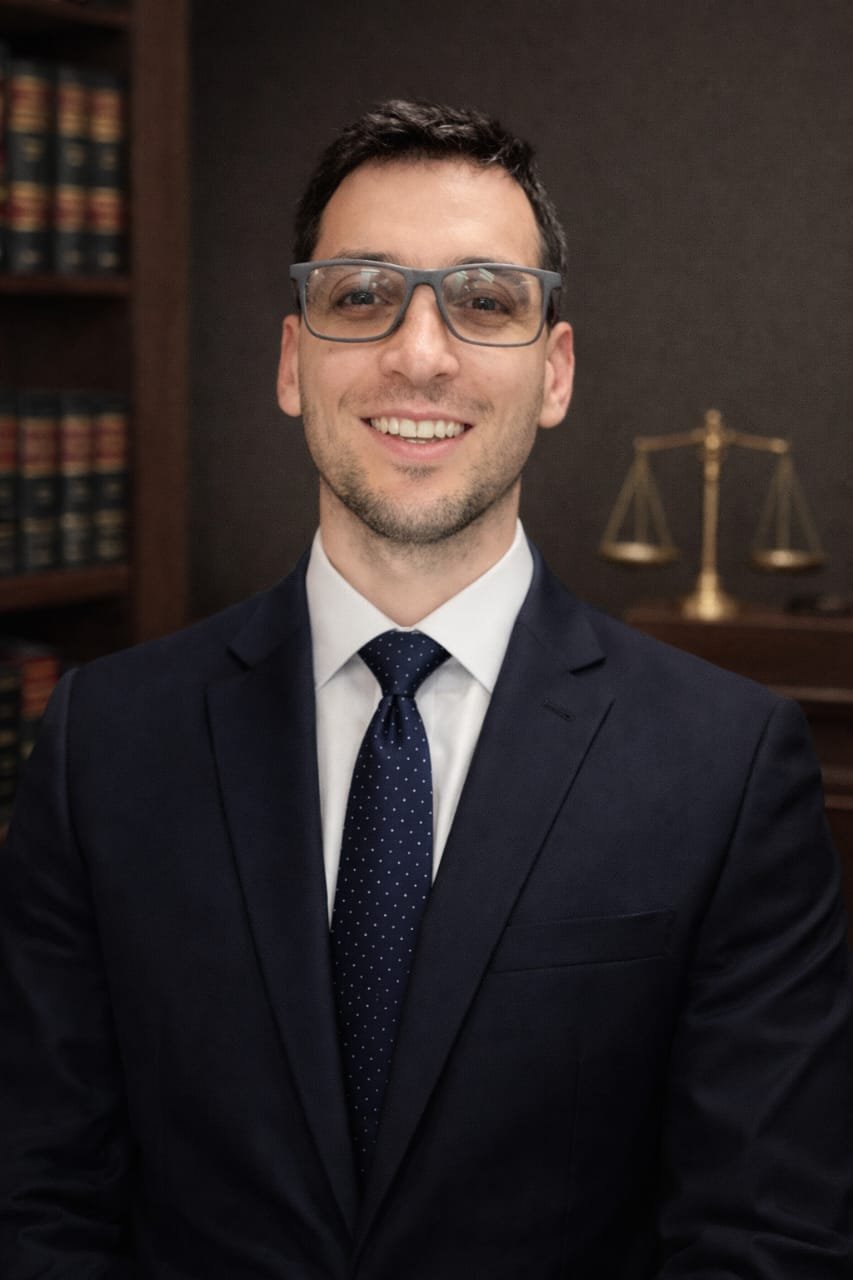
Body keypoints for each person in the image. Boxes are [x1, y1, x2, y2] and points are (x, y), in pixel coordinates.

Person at [1, 99, 852, 1280]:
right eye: (361, 294)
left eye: (484, 301)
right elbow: (35, 1197)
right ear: (292, 361)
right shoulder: (104, 740)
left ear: (553, 371)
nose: (419, 352)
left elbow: (764, 1236)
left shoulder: (727, 763)